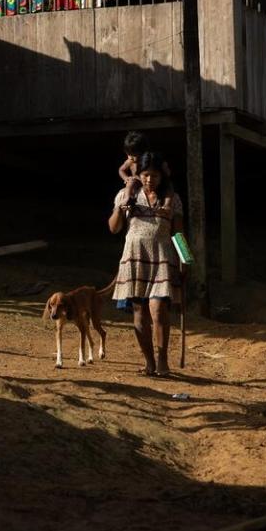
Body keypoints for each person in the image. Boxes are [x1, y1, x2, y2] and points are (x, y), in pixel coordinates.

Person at [109, 150, 185, 378]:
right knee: (139, 311)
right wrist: (120, 208)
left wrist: (186, 260)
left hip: (161, 259)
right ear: (138, 174)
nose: (149, 180)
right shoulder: (126, 194)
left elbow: (179, 233)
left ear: (162, 176)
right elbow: (114, 228)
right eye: (145, 175)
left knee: (159, 310)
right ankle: (149, 362)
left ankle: (163, 362)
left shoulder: (173, 200)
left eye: (154, 175)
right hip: (134, 260)